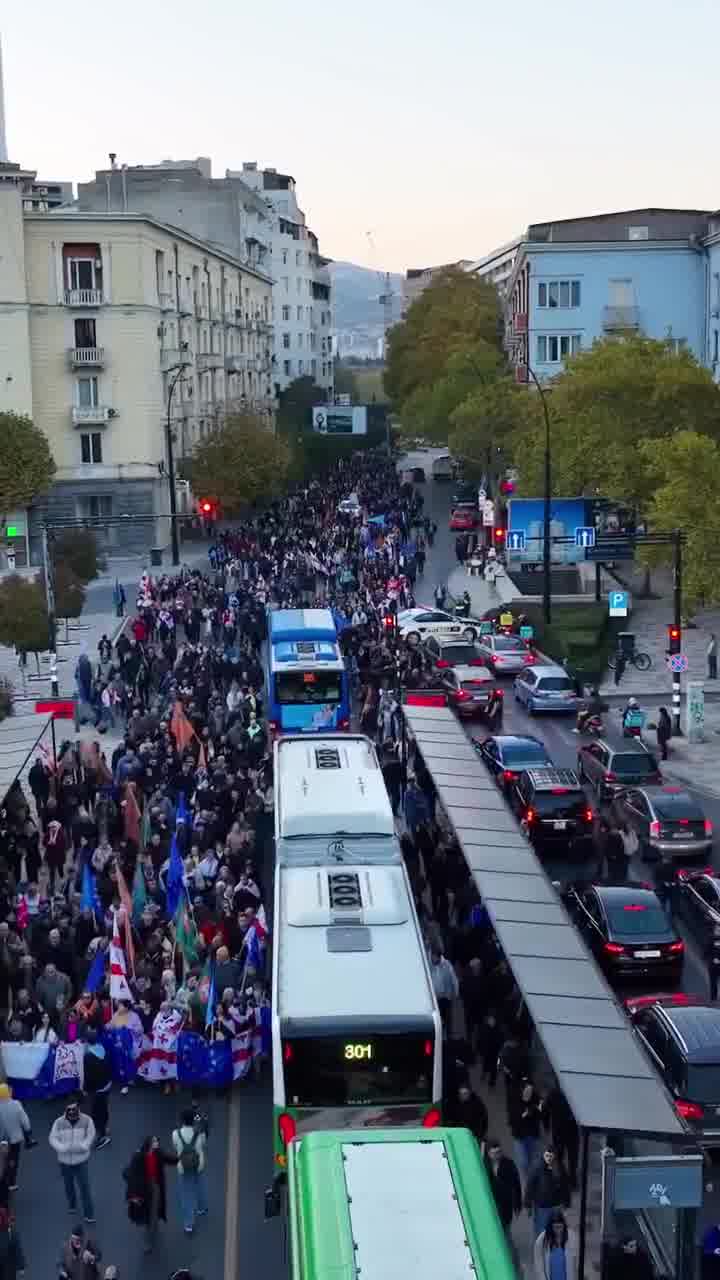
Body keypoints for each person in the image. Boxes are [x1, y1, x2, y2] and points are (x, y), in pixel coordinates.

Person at [123, 1135, 178, 1255]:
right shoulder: (138, 1157)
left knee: (152, 1212)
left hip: (154, 1186)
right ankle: (150, 1231)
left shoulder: (158, 1153)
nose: (157, 1143)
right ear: (149, 1144)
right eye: (154, 1141)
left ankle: (149, 1236)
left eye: (157, 1141)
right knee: (149, 1213)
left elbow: (171, 1159)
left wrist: (181, 1157)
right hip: (143, 1189)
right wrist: (133, 1195)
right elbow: (131, 1175)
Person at [48, 1097, 96, 1223]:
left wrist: (84, 1146)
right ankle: (72, 1204)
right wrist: (61, 1148)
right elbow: (52, 1138)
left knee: (85, 1187)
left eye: (74, 1110)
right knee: (68, 1185)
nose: (72, 1113)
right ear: (66, 1110)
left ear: (78, 1108)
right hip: (64, 1162)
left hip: (81, 1161)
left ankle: (89, 1214)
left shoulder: (87, 1120)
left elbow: (91, 1135)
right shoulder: (58, 1122)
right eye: (70, 1110)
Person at [172, 1108, 208, 1235]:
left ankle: (188, 1224)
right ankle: (202, 1208)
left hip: (183, 1166)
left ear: (181, 1120)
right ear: (193, 1120)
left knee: (186, 1194)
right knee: (200, 1185)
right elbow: (203, 1144)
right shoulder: (199, 1132)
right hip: (198, 1164)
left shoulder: (176, 1134)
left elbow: (175, 1146)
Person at [523, 1144, 571, 1237]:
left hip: (556, 1205)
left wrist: (566, 1202)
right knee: (541, 1232)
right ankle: (540, 1249)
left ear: (555, 1156)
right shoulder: (537, 1168)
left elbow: (565, 1186)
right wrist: (527, 1205)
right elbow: (530, 1186)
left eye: (551, 1156)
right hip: (542, 1207)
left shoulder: (560, 1167)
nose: (548, 1158)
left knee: (555, 1232)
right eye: (547, 1156)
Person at [484, 1137, 522, 1233]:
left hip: (506, 1203)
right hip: (491, 1202)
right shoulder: (484, 1165)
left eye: (499, 1152)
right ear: (488, 1153)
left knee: (505, 1229)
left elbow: (516, 1185)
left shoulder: (509, 1164)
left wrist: (517, 1205)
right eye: (494, 1153)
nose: (497, 1155)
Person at [0, 1085, 34, 1191]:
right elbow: (24, 1120)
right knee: (13, 1160)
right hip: (15, 1139)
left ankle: (3, 1179)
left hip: (2, 1139)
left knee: (3, 1160)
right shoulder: (16, 1104)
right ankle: (11, 1183)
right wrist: (28, 1132)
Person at [83, 1029, 113, 1149]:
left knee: (96, 1112)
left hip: (96, 1089)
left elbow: (88, 1075)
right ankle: (105, 1127)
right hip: (106, 1085)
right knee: (104, 1108)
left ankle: (102, 1137)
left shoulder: (88, 1056)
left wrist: (86, 1089)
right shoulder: (102, 1049)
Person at [533, 1212, 578, 1280]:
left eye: (560, 1227)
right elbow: (538, 1263)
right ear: (550, 1227)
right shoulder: (542, 1239)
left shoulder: (571, 1237)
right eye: (555, 1227)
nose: (558, 1230)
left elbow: (576, 1261)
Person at [428, 947, 458, 1032]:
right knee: (437, 1021)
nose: (432, 959)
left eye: (433, 957)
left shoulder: (447, 965)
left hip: (445, 997)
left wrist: (455, 993)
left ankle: (448, 1036)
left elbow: (453, 979)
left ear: (438, 957)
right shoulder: (429, 965)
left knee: (447, 1018)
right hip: (434, 998)